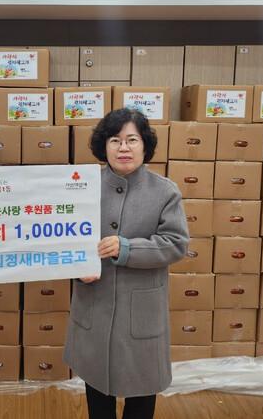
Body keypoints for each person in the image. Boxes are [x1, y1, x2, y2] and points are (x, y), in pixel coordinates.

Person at [64, 108, 189, 419]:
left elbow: (176, 243)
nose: (123, 148)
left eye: (132, 140)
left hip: (141, 311)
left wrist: (128, 248)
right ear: (103, 146)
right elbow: (65, 240)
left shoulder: (165, 191)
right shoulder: (82, 186)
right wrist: (78, 269)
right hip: (94, 303)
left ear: (145, 145)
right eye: (115, 140)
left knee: (142, 396)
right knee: (97, 393)